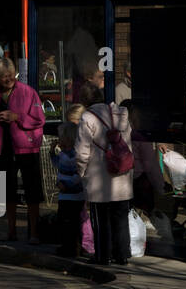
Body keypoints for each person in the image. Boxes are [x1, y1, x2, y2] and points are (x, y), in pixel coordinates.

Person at [0, 57, 46, 243]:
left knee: (32, 192)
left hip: (27, 148)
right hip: (4, 149)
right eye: (3, 76)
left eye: (10, 75)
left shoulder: (28, 92)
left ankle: (33, 233)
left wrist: (17, 117)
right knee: (8, 191)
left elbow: (39, 119)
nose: (8, 79)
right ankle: (11, 231)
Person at [76, 86, 133, 265]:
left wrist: (82, 172)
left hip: (98, 178)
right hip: (122, 177)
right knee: (121, 218)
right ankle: (122, 255)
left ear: (84, 101)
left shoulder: (87, 118)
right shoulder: (121, 114)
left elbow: (81, 152)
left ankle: (103, 255)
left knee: (100, 220)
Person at [51, 107, 85, 258]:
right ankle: (67, 246)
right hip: (65, 195)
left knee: (70, 222)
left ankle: (72, 247)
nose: (59, 140)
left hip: (72, 194)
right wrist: (52, 153)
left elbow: (78, 174)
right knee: (65, 222)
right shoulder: (64, 154)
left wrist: (67, 185)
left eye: (61, 137)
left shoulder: (74, 154)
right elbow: (58, 164)